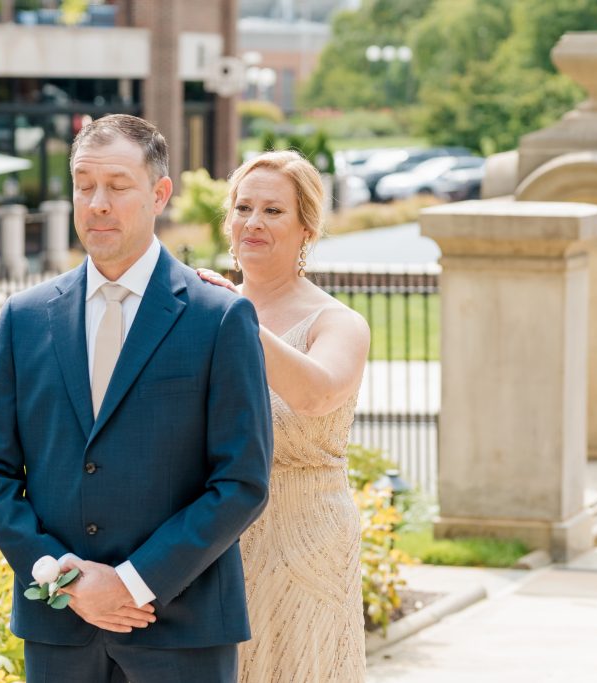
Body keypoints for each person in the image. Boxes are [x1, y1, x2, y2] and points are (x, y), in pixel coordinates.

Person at [0, 114, 273, 683]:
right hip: (59, 629)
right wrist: (63, 579)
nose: (97, 203)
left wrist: (130, 582)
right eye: (84, 186)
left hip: (181, 629)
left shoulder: (220, 318)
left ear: (159, 194)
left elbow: (242, 482)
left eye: (117, 186)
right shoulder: (25, 318)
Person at [198, 149, 370, 682]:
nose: (253, 222)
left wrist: (239, 318)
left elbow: (316, 396)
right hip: (212, 546)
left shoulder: (337, 323)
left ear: (306, 229)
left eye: (273, 211)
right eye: (243, 208)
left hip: (307, 543)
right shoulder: (202, 311)